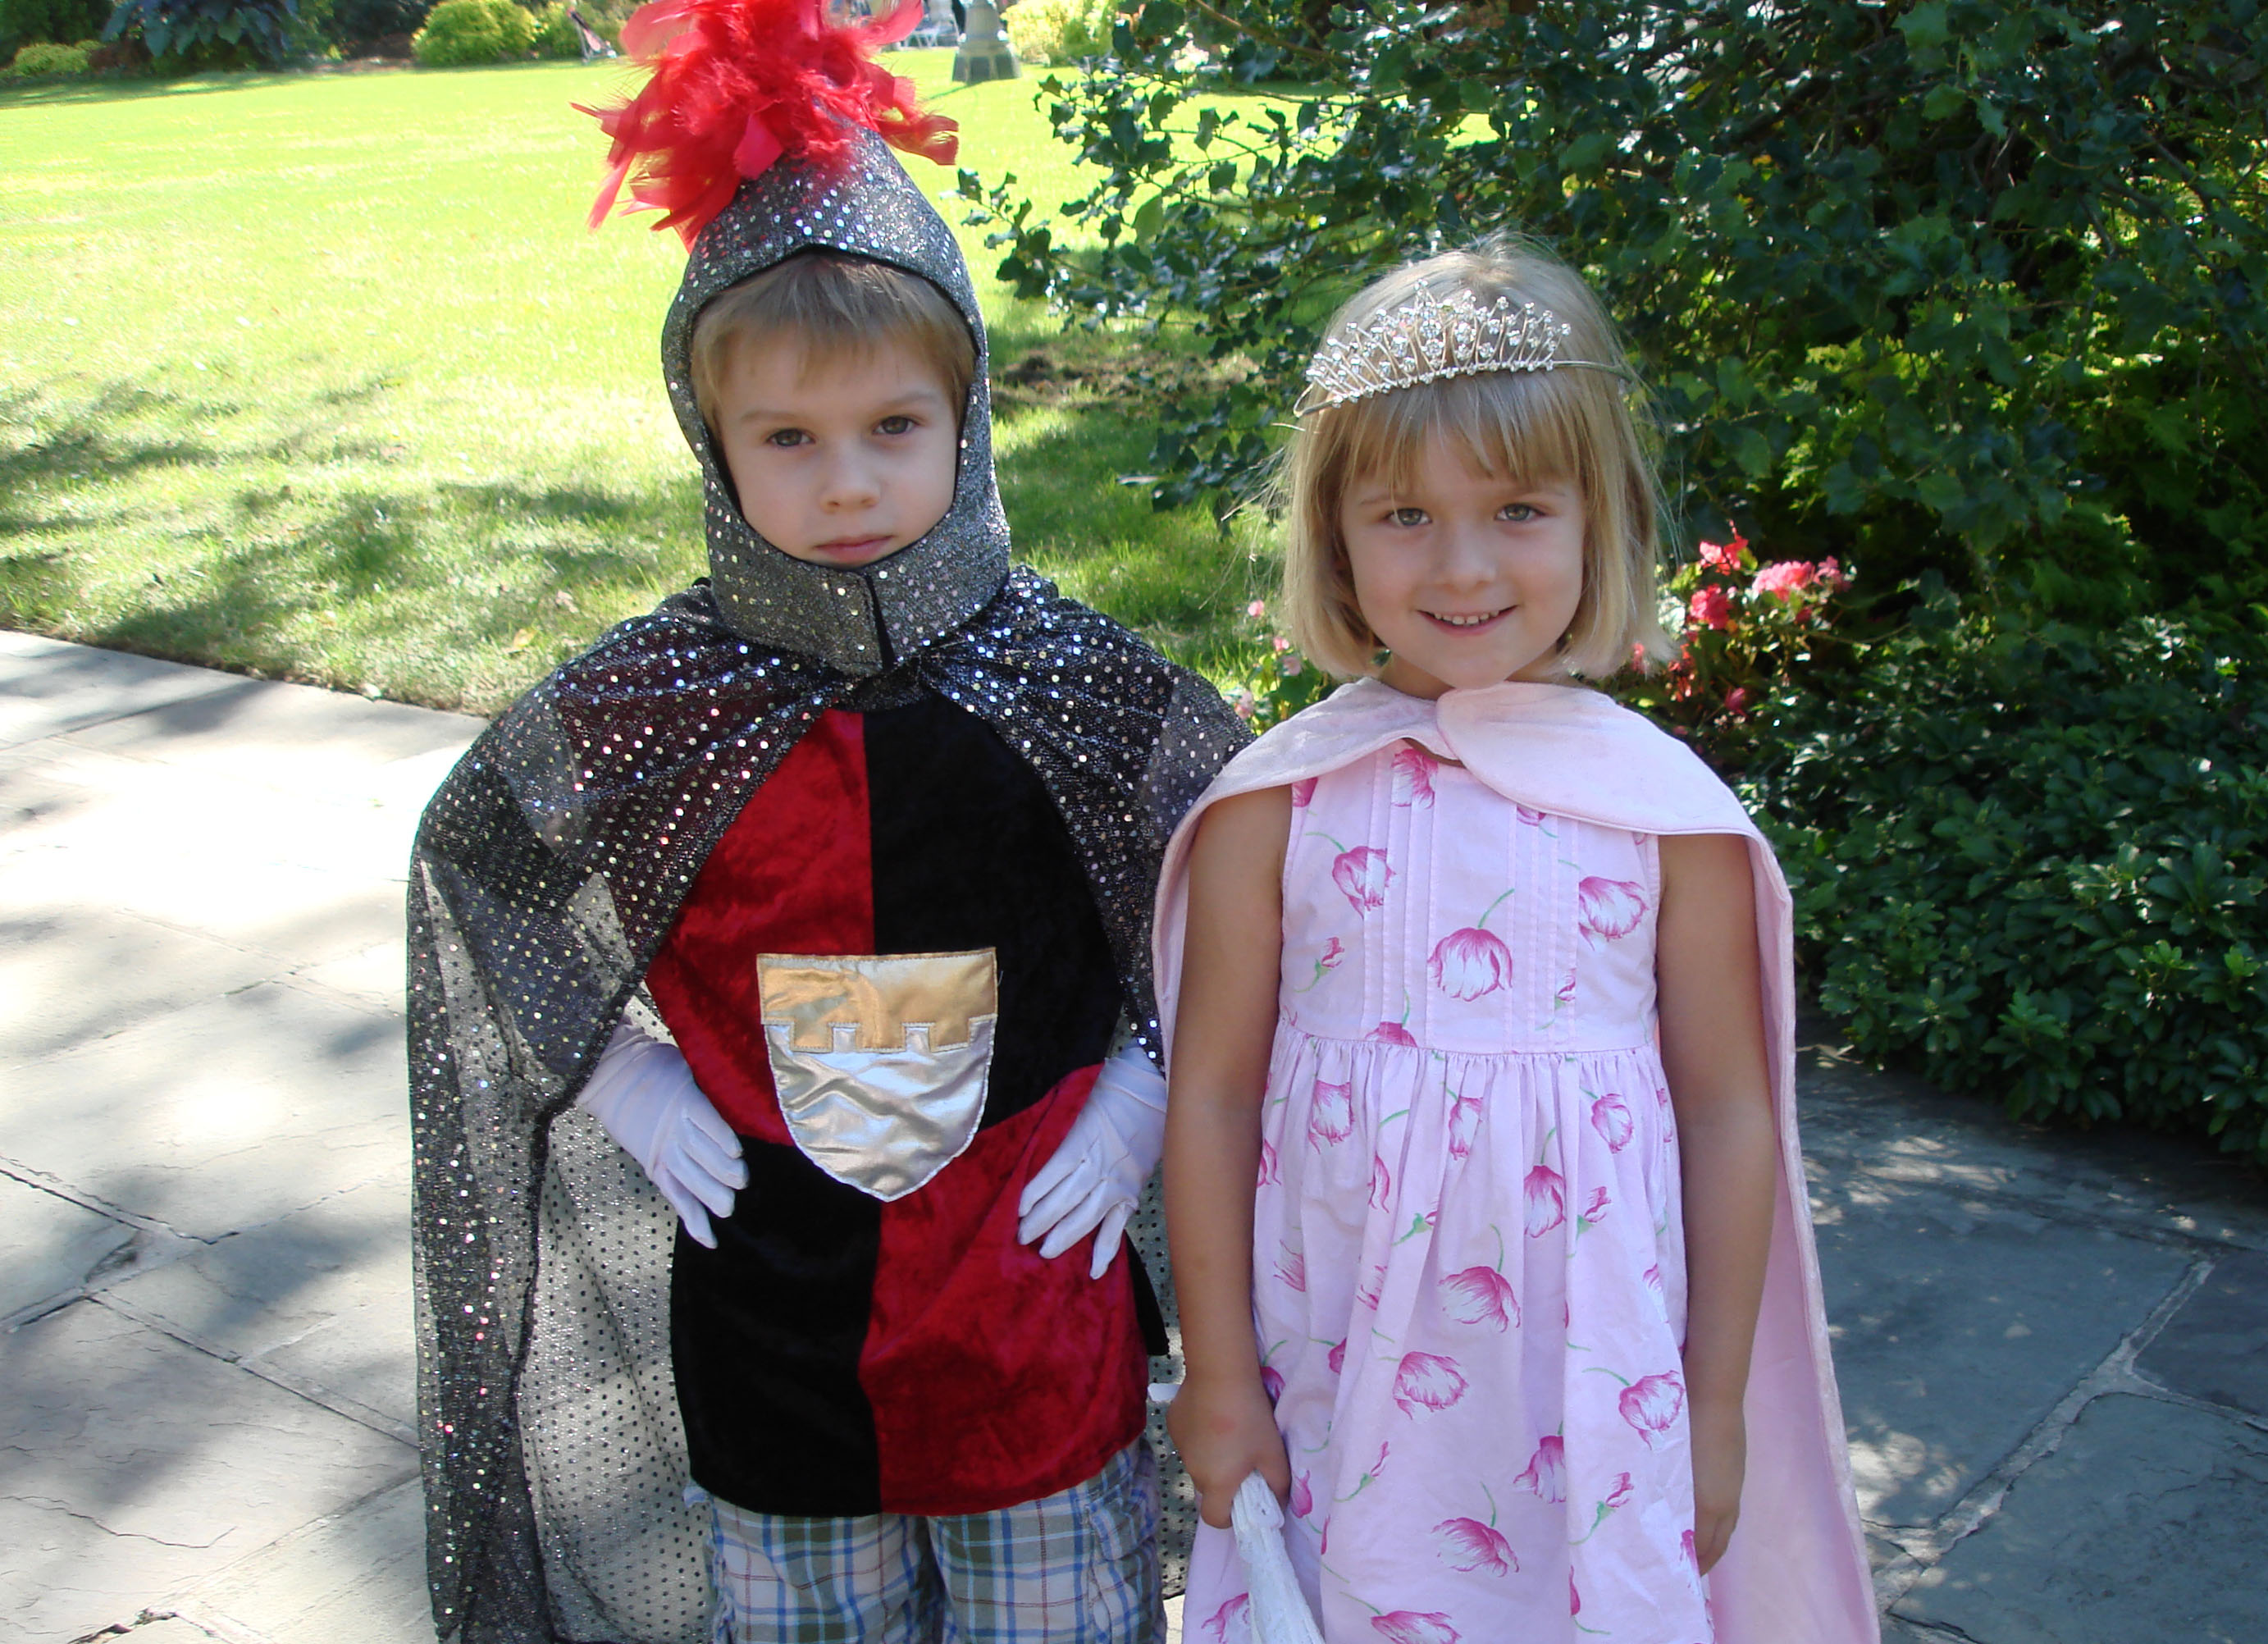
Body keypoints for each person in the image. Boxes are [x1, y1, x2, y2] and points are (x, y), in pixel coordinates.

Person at [403, 2, 1244, 1640]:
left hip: (1030, 1304)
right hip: (778, 1324)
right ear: (710, 446)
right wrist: (621, 1072)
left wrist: (1143, 1089)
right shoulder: (654, 700)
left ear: (967, 417)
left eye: (891, 430)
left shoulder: (1075, 678)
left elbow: (1226, 876)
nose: (846, 484)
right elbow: (479, 859)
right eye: (786, 440)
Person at [1152, 241, 1878, 1643]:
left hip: (1585, 1381)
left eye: (1522, 509)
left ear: (1599, 520)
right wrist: (1219, 1375)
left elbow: (1731, 1112)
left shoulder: (1667, 818)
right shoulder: (1278, 804)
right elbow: (1217, 1096)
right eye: (1406, 514)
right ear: (1335, 533)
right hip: (1338, 1363)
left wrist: (1713, 1403)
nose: (1465, 563)